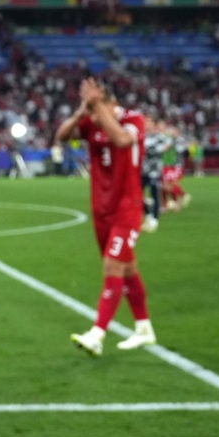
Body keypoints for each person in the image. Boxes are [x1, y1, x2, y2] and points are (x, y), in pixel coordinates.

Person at [55, 78, 155, 357]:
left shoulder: (133, 120)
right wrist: (80, 112)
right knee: (127, 269)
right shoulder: (91, 121)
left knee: (113, 266)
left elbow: (122, 140)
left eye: (98, 106)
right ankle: (144, 328)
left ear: (112, 103)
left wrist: (97, 107)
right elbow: (61, 137)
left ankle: (97, 334)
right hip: (102, 208)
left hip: (128, 205)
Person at [141, 117, 171, 232]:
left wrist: (150, 150)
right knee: (138, 194)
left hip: (154, 171)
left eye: (148, 122)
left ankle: (155, 219)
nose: (146, 124)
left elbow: (165, 148)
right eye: (145, 122)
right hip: (143, 170)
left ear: (153, 124)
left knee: (155, 193)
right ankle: (148, 214)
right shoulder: (143, 136)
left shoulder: (161, 137)